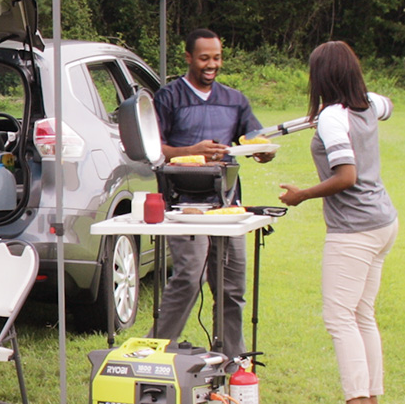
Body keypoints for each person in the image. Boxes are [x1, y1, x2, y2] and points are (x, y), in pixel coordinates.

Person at [278, 41, 397, 404]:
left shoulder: (333, 117)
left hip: (355, 230)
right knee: (362, 314)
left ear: (321, 77)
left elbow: (346, 176)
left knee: (339, 317)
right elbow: (387, 106)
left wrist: (302, 195)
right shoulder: (368, 105)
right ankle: (370, 397)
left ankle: (357, 399)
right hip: (383, 223)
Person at [152, 28, 275, 359]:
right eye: (205, 58)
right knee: (188, 278)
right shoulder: (168, 97)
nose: (212, 65)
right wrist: (192, 150)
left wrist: (264, 150)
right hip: (182, 207)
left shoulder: (235, 100)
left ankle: (233, 360)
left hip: (227, 206)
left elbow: (254, 138)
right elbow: (153, 149)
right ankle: (157, 350)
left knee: (232, 287)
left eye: (217, 58)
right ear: (189, 57)